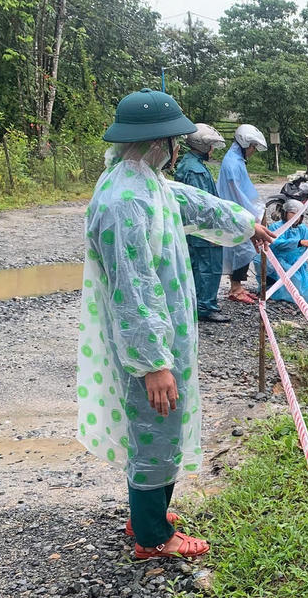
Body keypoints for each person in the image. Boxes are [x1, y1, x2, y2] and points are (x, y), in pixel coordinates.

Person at [77, 89, 275, 560]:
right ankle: (152, 539)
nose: (177, 149)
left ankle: (150, 514)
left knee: (160, 424)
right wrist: (152, 364)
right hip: (150, 342)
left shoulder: (145, 183)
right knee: (155, 423)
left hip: (167, 333)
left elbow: (193, 204)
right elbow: (133, 288)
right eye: (173, 141)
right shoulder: (123, 202)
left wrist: (247, 224)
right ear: (157, 142)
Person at [174, 124, 230, 323]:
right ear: (203, 145)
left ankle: (198, 304)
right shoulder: (195, 170)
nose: (213, 150)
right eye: (211, 146)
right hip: (201, 229)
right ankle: (205, 306)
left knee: (197, 266)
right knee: (208, 266)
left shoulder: (190, 164)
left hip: (193, 228)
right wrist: (213, 231)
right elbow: (200, 204)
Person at [217, 124, 269, 304]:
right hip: (237, 211)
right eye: (253, 146)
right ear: (245, 144)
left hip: (237, 210)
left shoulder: (235, 160)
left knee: (240, 248)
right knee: (242, 248)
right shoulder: (233, 164)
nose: (254, 151)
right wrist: (255, 212)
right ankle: (236, 289)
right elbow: (239, 193)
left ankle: (236, 286)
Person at [264, 198, 308, 304]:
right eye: (292, 213)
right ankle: (281, 295)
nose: (295, 217)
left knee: (306, 288)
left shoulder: (302, 229)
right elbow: (277, 243)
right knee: (294, 279)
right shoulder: (276, 227)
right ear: (285, 213)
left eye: (298, 214)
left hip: (297, 263)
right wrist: (299, 242)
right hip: (278, 261)